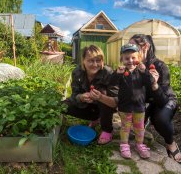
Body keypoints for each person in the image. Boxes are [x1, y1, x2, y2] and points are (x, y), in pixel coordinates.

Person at [129, 34, 181, 164]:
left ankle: (171, 144)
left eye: (133, 46)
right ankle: (146, 119)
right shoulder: (134, 64)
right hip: (148, 102)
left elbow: (162, 101)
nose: (130, 49)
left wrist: (154, 84)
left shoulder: (160, 66)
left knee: (161, 119)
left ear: (145, 47)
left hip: (166, 100)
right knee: (132, 122)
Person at [64, 45, 118, 144]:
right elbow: (74, 94)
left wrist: (101, 97)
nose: (95, 64)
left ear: (102, 61)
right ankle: (95, 118)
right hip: (87, 107)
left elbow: (115, 102)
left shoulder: (109, 73)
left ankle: (107, 130)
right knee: (63, 106)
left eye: (98, 60)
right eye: (90, 60)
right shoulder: (77, 72)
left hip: (105, 109)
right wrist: (81, 97)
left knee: (103, 92)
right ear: (83, 61)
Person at [113, 43, 154, 159]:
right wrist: (117, 74)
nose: (130, 61)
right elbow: (111, 83)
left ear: (138, 59)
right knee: (125, 127)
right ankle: (124, 144)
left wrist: (145, 71)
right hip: (125, 107)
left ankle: (139, 145)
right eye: (126, 58)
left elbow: (150, 82)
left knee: (139, 127)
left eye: (133, 58)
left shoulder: (141, 72)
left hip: (139, 106)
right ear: (122, 59)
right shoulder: (121, 73)